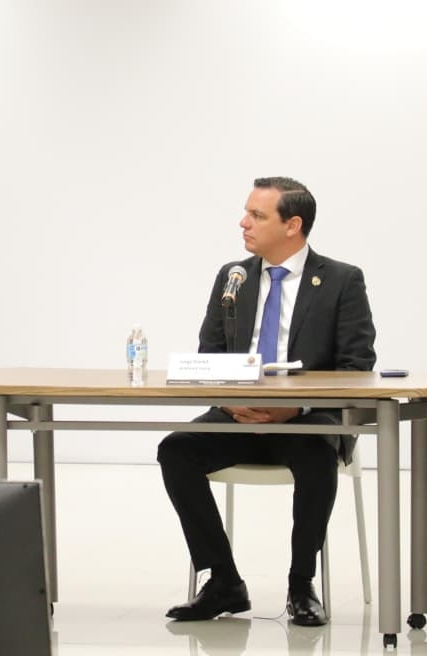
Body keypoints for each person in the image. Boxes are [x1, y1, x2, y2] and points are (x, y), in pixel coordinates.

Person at [157, 177, 377, 628]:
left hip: (306, 420)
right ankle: (223, 580)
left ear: (292, 225)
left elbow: (357, 369)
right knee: (176, 449)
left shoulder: (341, 280)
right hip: (237, 416)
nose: (244, 223)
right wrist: (232, 404)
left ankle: (301, 585)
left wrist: (295, 409)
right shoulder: (233, 276)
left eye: (257, 215)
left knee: (317, 454)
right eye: (247, 213)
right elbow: (210, 355)